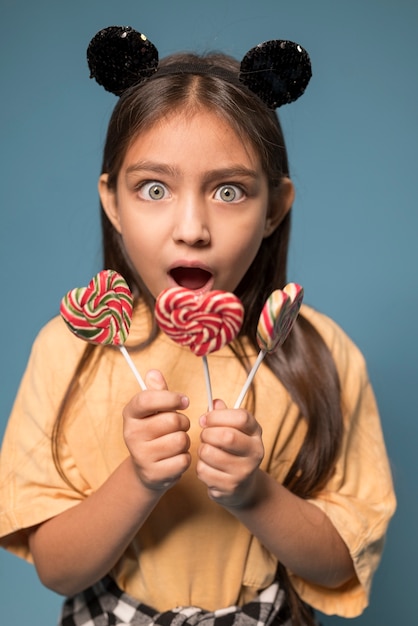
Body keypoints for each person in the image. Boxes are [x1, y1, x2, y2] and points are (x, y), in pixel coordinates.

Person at [0, 26, 396, 626]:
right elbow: (57, 568)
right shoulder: (70, 346)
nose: (192, 227)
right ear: (112, 201)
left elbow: (339, 566)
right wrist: (136, 479)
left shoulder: (320, 350)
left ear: (275, 207)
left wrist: (253, 494)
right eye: (154, 188)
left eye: (230, 190)